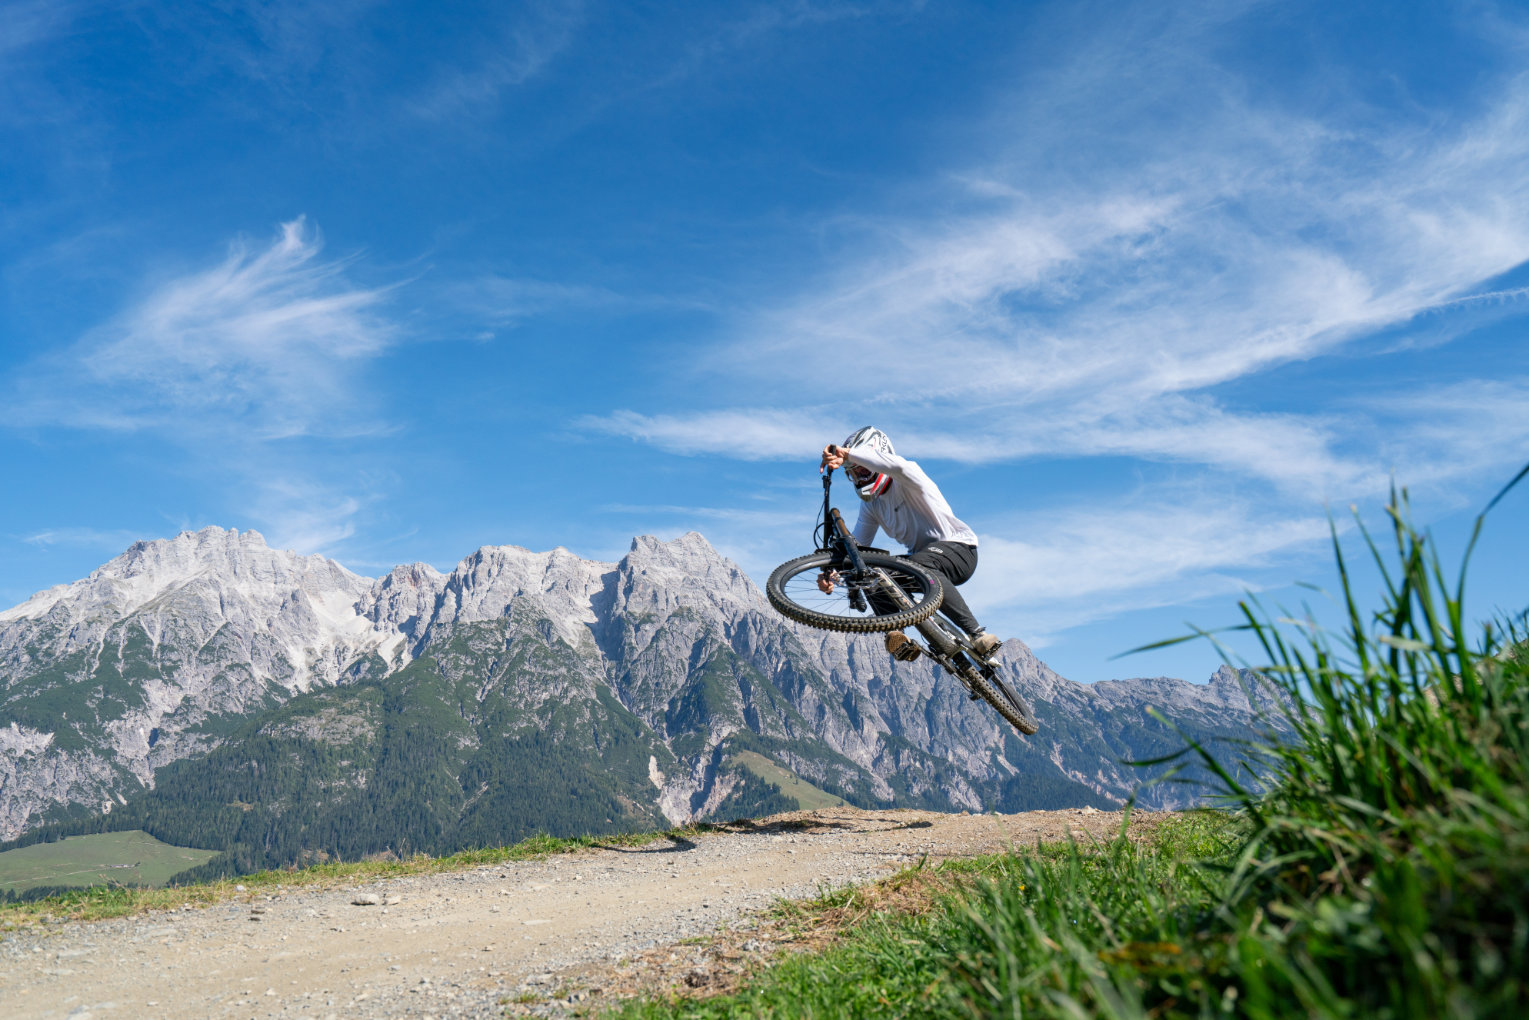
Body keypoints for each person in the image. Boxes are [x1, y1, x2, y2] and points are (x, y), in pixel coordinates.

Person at [818, 426, 1001, 663]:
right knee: (871, 570)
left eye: (863, 468)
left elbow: (897, 466)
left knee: (917, 563)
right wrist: (833, 574)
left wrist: (848, 454)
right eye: (853, 473)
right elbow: (858, 550)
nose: (860, 477)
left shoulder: (907, 477)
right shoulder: (871, 505)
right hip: (925, 564)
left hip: (960, 551)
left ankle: (978, 634)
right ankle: (897, 636)